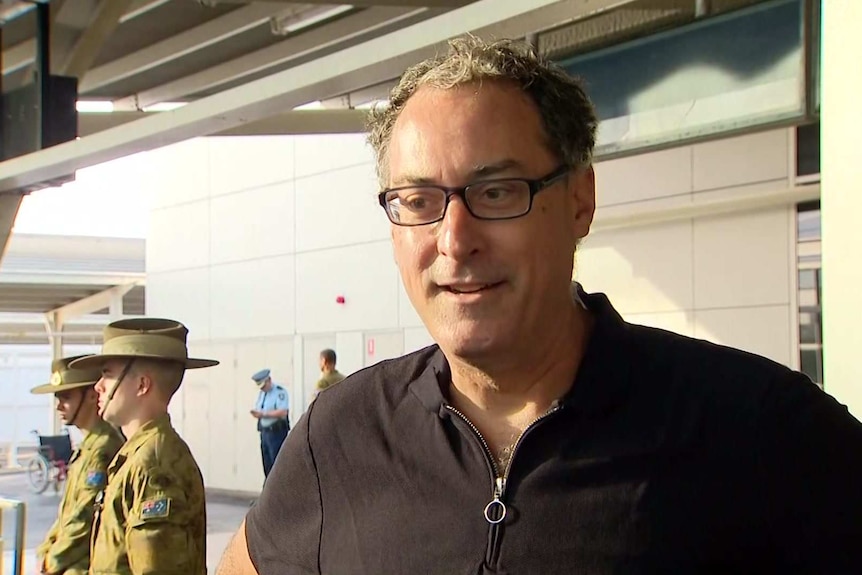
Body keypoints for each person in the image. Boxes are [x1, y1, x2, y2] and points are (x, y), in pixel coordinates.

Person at [217, 36, 862, 575]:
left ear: (580, 201)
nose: (454, 238)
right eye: (417, 201)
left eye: (496, 192)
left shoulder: (761, 431)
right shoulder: (341, 434)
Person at [69, 318, 218, 575]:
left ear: (142, 385)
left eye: (107, 373)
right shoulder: (139, 454)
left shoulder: (154, 466)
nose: (98, 386)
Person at [30, 356, 124, 575]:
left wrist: (51, 561)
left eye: (66, 397)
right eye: (57, 397)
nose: (58, 406)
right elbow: (68, 516)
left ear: (92, 396)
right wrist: (46, 550)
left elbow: (85, 518)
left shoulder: (104, 449)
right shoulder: (89, 446)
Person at [250, 369, 289, 478]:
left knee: (276, 465)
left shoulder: (279, 392)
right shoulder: (262, 394)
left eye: (263, 386)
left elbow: (283, 412)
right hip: (265, 432)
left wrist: (264, 414)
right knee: (267, 464)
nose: (262, 389)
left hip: (276, 433)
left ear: (269, 380)